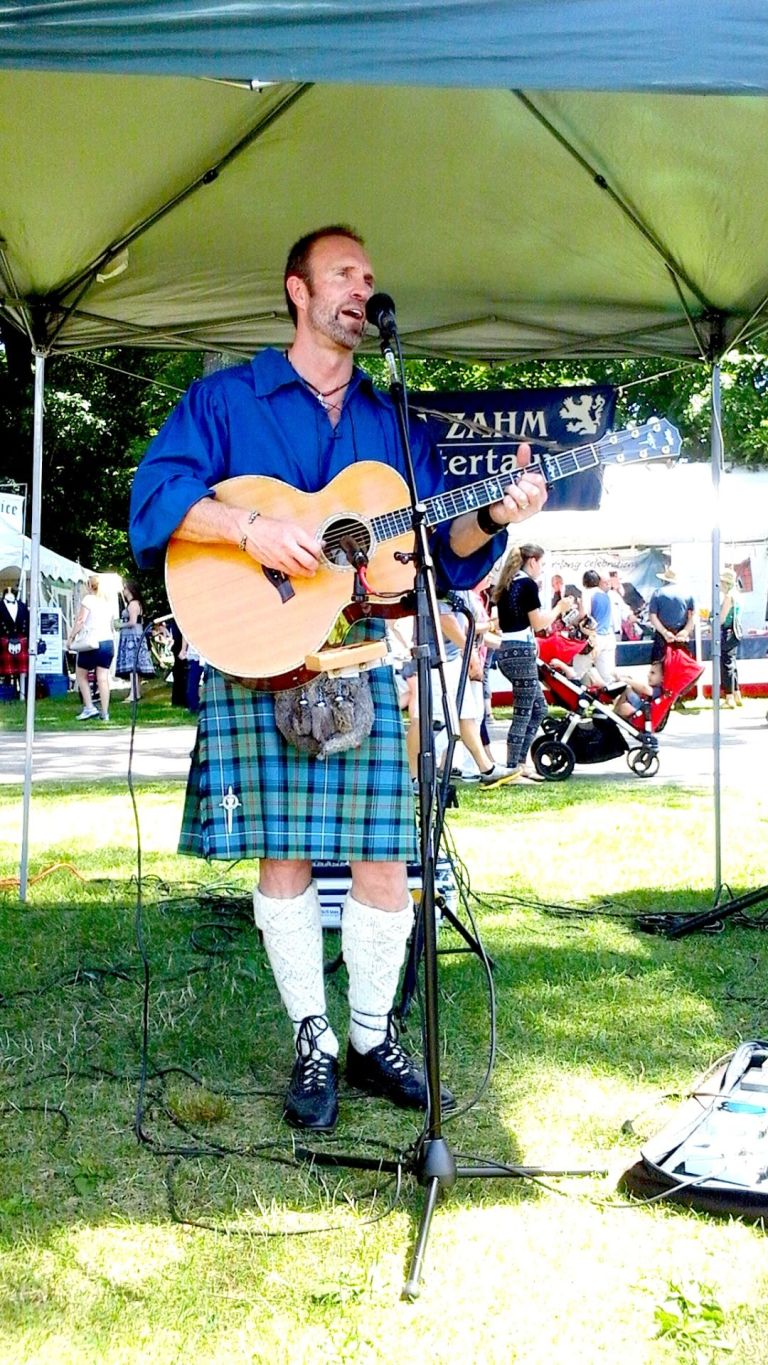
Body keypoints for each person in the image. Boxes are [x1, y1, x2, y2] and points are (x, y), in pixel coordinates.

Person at [128, 225, 547, 1134]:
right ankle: (310, 1035)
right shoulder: (224, 399)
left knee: (383, 855)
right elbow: (154, 498)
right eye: (345, 275)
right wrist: (249, 532)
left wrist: (494, 519)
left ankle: (366, 1035)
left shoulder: (389, 421)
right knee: (283, 852)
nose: (364, 289)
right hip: (259, 642)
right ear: (297, 290)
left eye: (370, 277)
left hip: (361, 650)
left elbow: (447, 549)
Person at [493, 543, 574, 779]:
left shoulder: (506, 585)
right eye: (542, 564)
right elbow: (539, 623)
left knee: (538, 708)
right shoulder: (526, 584)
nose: (542, 569)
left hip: (507, 649)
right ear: (532, 561)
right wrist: (560, 607)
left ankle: (519, 762)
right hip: (521, 651)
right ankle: (513, 765)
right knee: (524, 711)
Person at [65, 573, 114, 721]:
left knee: (81, 675)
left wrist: (71, 637)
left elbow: (81, 620)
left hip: (92, 642)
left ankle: (89, 707)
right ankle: (105, 713)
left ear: (88, 586)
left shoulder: (88, 600)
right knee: (102, 677)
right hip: (107, 642)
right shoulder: (107, 603)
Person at [115, 579, 155, 703]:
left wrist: (119, 625)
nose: (124, 591)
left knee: (133, 666)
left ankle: (133, 694)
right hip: (136, 635)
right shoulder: (137, 603)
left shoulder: (133, 604)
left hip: (132, 637)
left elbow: (132, 622)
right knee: (136, 667)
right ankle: (136, 692)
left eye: (125, 588)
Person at [648, 566, 695, 662]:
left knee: (660, 667)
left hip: (662, 635)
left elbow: (653, 616)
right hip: (681, 634)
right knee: (681, 666)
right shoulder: (688, 593)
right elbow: (693, 616)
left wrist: (664, 632)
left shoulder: (658, 593)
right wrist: (685, 631)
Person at [581, 569, 617, 682]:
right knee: (608, 676)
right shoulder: (605, 595)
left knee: (580, 671)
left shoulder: (587, 593)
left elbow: (584, 615)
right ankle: (615, 697)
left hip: (593, 638)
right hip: (608, 636)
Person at [719, 567, 743, 707]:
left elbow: (722, 618)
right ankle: (736, 694)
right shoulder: (738, 595)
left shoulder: (729, 597)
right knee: (732, 663)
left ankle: (729, 697)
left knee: (726, 663)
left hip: (728, 631)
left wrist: (711, 621)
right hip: (736, 631)